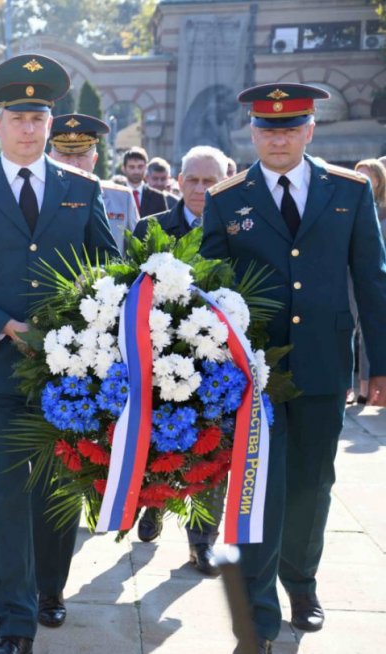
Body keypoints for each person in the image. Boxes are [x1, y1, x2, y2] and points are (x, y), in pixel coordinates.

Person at [0, 54, 117, 654]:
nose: (31, 128)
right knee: (4, 493)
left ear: (50, 120)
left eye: (39, 116)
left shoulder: (82, 189)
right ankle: (12, 618)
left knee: (59, 486)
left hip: (68, 375)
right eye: (19, 117)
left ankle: (50, 588)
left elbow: (109, 275)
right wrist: (4, 325)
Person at [200, 83, 386, 653]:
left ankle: (301, 584)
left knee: (313, 483)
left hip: (325, 366)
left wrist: (379, 364)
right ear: (251, 133)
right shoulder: (228, 197)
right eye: (266, 128)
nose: (277, 138)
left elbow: (373, 281)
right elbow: (209, 286)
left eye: (289, 127)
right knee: (257, 486)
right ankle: (258, 605)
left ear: (310, 130)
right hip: (253, 373)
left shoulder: (349, 192)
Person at [131, 145, 230, 575]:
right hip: (160, 360)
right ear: (178, 180)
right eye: (192, 179)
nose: (200, 189)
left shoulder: (241, 229)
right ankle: (154, 505)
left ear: (225, 180)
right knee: (158, 443)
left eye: (210, 181)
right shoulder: (150, 228)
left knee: (215, 449)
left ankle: (202, 540)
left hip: (218, 364)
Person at [47, 113, 139, 253]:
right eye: (65, 155)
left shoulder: (121, 198)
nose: (73, 163)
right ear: (50, 158)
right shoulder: (37, 195)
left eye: (81, 155)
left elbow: (137, 250)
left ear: (94, 160)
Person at [351, 158, 386, 403]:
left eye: (367, 175)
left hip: (377, 276)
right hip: (354, 277)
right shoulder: (355, 204)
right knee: (355, 330)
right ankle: (361, 387)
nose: (362, 179)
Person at [121, 147, 174, 217]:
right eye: (132, 167)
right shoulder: (116, 195)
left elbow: (164, 225)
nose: (136, 171)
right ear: (124, 168)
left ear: (146, 167)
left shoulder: (158, 197)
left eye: (140, 167)